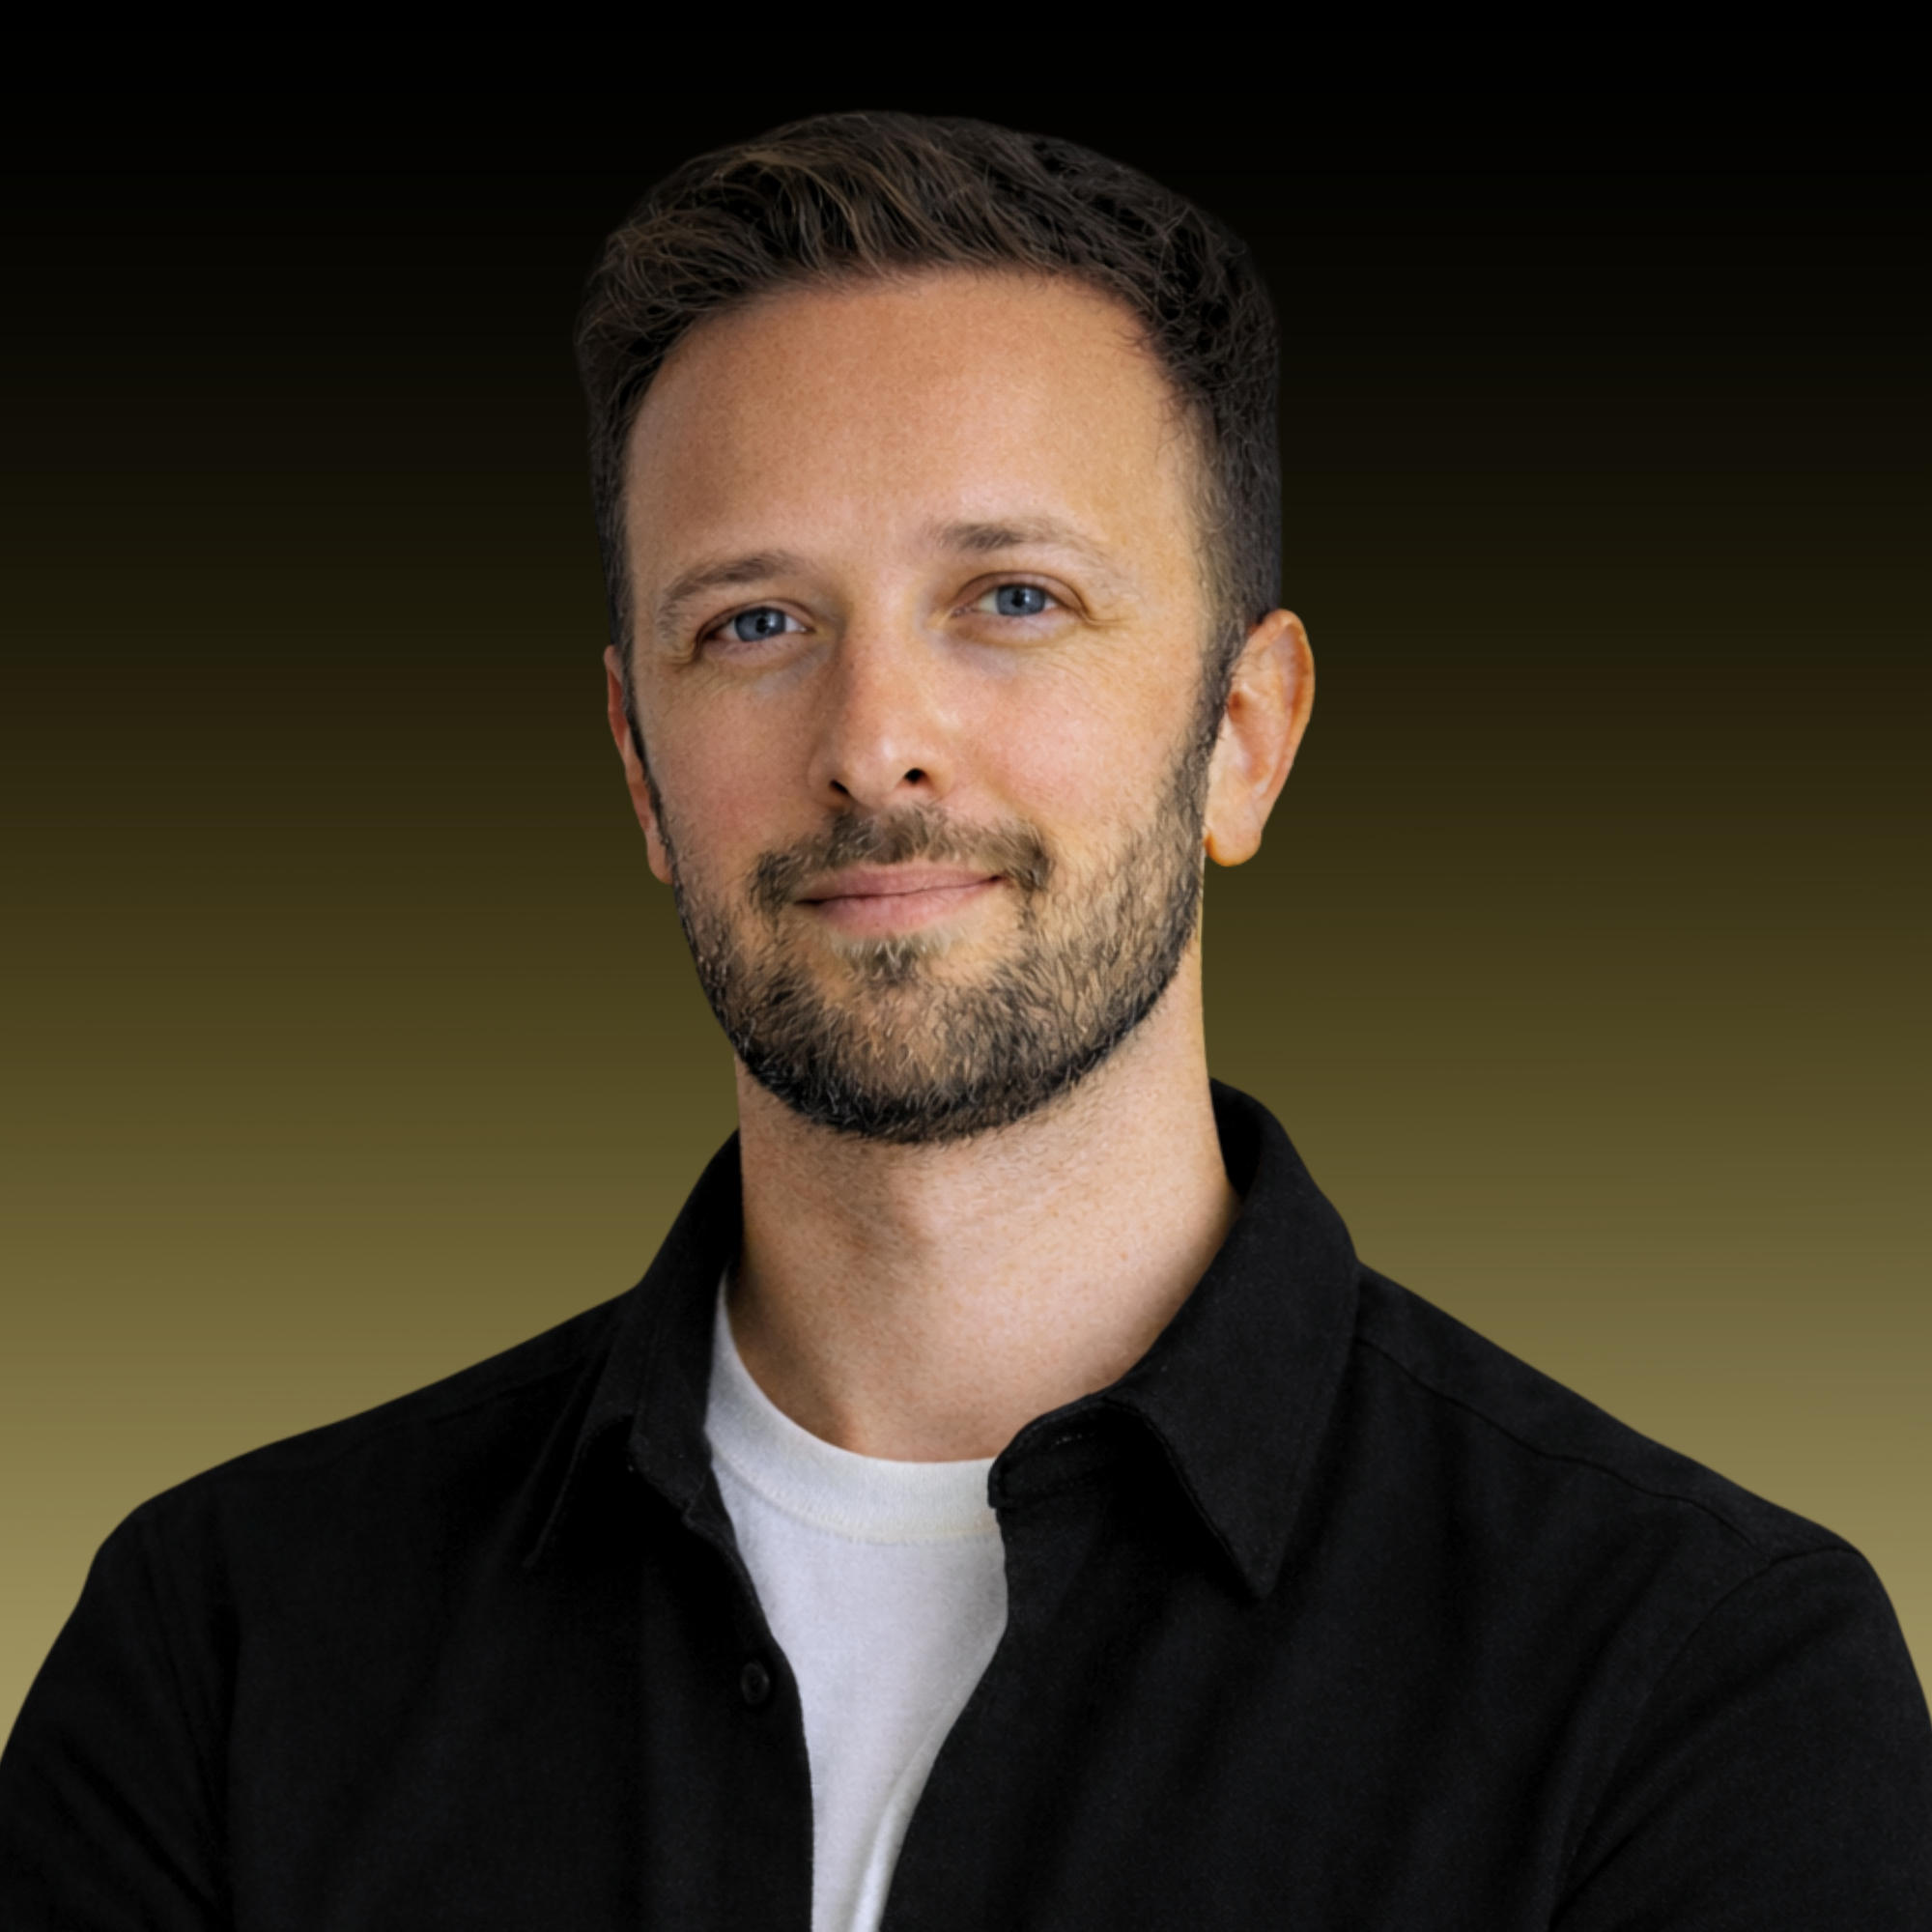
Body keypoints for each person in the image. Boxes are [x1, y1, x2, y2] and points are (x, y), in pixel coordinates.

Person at [3, 109, 1927, 1931]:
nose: (871, 744)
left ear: (1242, 739)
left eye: (1009, 595)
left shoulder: (1692, 1680)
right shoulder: (226, 1649)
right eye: (753, 623)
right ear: (637, 765)